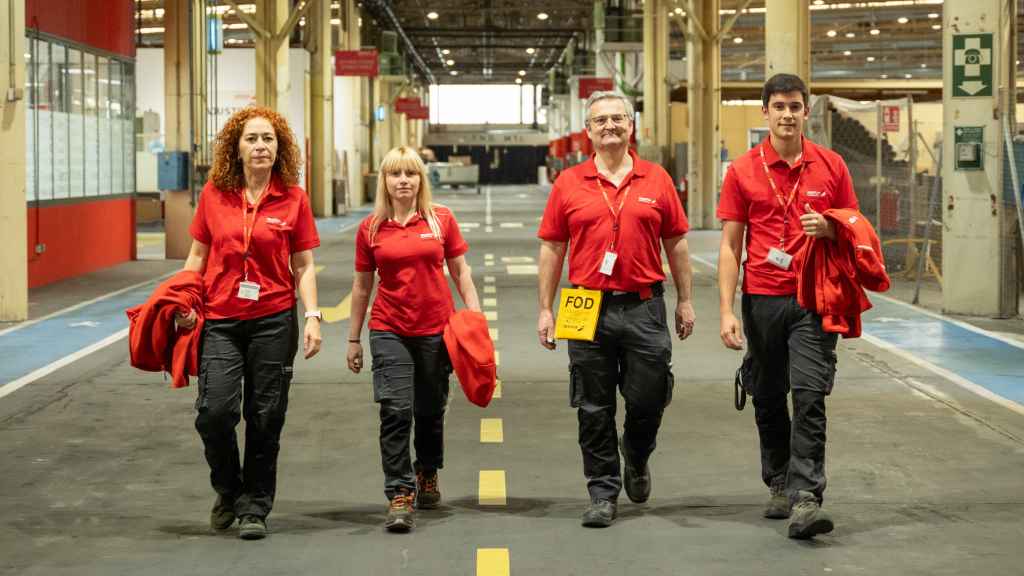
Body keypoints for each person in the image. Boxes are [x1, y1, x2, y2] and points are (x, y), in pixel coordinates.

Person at [536, 90, 696, 528]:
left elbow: (677, 243)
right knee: (592, 406)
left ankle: (637, 455)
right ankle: (602, 491)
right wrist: (545, 309)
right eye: (600, 120)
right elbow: (552, 247)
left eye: (617, 119)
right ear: (587, 131)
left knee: (647, 399)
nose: (609, 126)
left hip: (644, 307)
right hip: (584, 305)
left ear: (631, 126)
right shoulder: (568, 183)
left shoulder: (656, 178)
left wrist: (685, 300)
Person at [717, 73, 859, 540]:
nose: (787, 114)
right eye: (778, 106)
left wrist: (833, 230)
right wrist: (726, 310)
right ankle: (778, 479)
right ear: (765, 112)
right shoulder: (741, 171)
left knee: (810, 394)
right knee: (768, 395)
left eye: (795, 106)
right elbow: (730, 245)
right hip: (761, 299)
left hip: (813, 300)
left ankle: (805, 497)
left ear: (806, 111)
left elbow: (855, 227)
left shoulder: (832, 166)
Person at [174, 106, 322, 540]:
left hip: (274, 320)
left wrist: (312, 316)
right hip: (220, 319)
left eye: (269, 140)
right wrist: (185, 301)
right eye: (252, 139)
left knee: (265, 415)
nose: (261, 146)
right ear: (236, 149)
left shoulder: (293, 198)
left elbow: (305, 265)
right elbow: (197, 257)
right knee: (215, 412)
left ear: (280, 149)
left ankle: (255, 506)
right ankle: (228, 488)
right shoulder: (215, 195)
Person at [347, 146, 481, 533]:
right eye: (395, 174)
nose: (403, 181)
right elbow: (360, 288)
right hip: (389, 328)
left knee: (430, 408)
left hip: (436, 330)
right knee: (395, 410)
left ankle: (427, 471)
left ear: (422, 180)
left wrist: (474, 321)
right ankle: (399, 493)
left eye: (411, 174)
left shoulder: (441, 220)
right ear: (384, 181)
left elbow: (461, 272)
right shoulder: (370, 228)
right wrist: (354, 338)